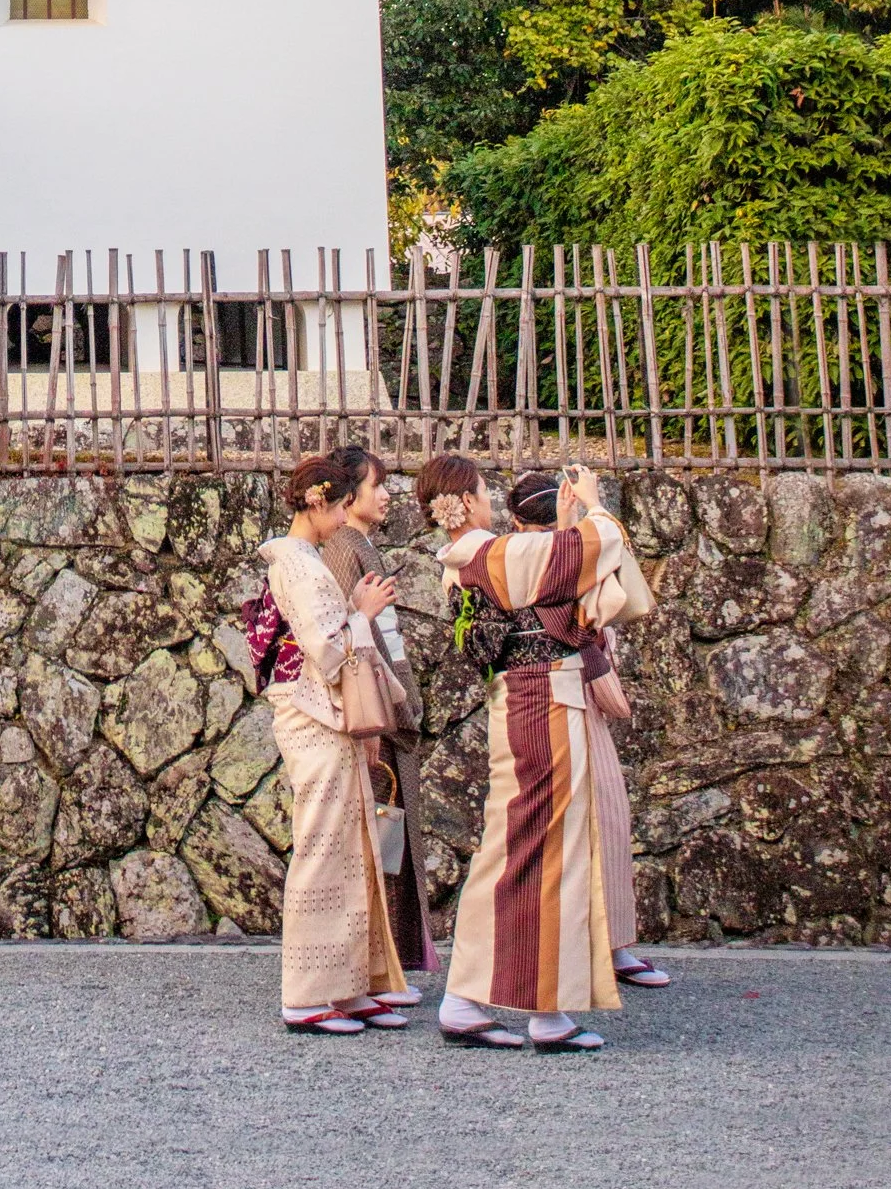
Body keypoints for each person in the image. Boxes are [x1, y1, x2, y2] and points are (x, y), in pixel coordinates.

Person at [419, 452, 652, 1053]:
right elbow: (590, 547)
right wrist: (593, 504)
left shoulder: (470, 560)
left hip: (521, 702)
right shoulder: (499, 554)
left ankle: (465, 1000)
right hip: (545, 702)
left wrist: (571, 518)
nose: (490, 498)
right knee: (554, 850)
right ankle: (547, 1012)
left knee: (510, 849)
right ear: (467, 501)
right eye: (481, 490)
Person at [504, 469, 670, 995]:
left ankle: (608, 943)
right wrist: (594, 506)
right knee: (582, 825)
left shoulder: (527, 553)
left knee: (601, 818)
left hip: (554, 697)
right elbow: (622, 581)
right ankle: (599, 946)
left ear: (514, 519)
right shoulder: (556, 554)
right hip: (559, 693)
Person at [260, 452, 407, 1035]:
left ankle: (348, 986)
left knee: (354, 848)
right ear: (319, 502)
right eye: (344, 504)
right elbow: (326, 647)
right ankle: (306, 993)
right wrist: (363, 613)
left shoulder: (305, 559)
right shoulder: (296, 563)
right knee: (322, 847)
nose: (347, 516)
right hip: (312, 715)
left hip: (328, 714)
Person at [320, 446, 437, 1004]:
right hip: (374, 714)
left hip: (388, 706)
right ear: (350, 495)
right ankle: (375, 969)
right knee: (380, 841)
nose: (387, 493)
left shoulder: (359, 545)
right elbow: (344, 631)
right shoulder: (344, 547)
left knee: (388, 840)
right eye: (378, 485)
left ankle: (387, 965)